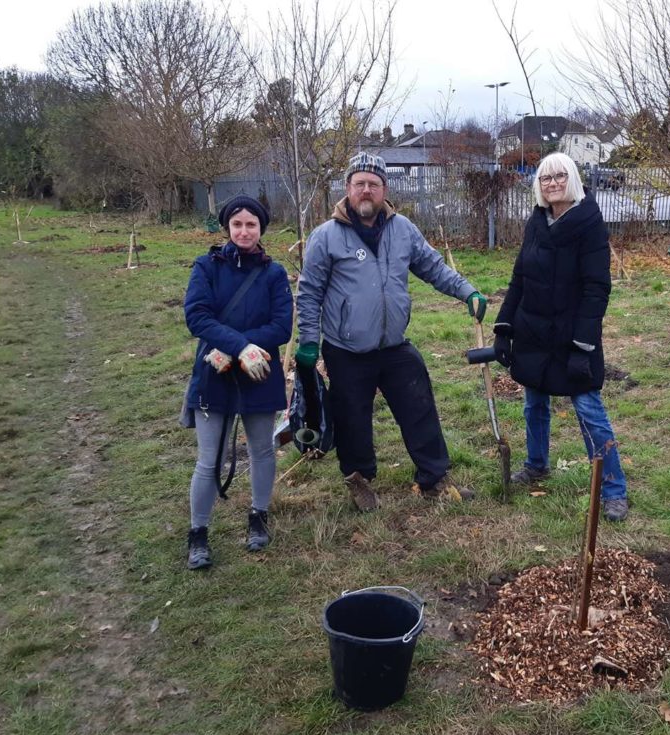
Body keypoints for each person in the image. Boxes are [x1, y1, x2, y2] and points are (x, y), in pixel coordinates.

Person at [295, 152, 487, 511]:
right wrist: (308, 341)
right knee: (352, 418)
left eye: (373, 184)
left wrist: (468, 292)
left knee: (419, 405)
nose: (366, 190)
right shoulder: (326, 237)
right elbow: (309, 294)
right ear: (347, 189)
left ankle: (434, 478)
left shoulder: (403, 230)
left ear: (384, 189)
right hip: (347, 349)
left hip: (393, 345)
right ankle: (359, 480)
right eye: (359, 184)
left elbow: (433, 267)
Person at [492, 152, 629, 522]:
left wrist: (584, 345)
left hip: (572, 336)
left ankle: (613, 487)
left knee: (588, 409)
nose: (552, 183)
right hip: (533, 331)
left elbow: (597, 288)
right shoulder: (536, 222)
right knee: (534, 402)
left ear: (573, 180)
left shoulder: (589, 224)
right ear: (538, 185)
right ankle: (537, 464)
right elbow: (519, 277)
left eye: (559, 176)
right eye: (545, 178)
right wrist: (504, 328)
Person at [183, 195, 294, 568]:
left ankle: (258, 517)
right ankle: (198, 534)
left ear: (261, 229)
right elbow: (197, 316)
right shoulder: (206, 267)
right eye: (237, 224)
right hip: (213, 371)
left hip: (260, 372)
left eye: (251, 225)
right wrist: (237, 346)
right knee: (208, 458)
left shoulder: (275, 274)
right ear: (227, 227)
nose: (244, 231)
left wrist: (249, 350)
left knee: (262, 449)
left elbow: (282, 326)